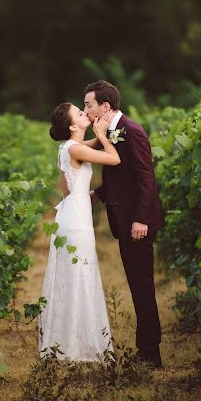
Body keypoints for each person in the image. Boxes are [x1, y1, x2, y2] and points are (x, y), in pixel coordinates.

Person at [84, 80, 164, 368]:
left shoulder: (132, 131)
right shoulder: (111, 131)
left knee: (142, 286)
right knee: (136, 284)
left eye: (88, 104)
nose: (86, 109)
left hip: (137, 223)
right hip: (124, 220)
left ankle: (150, 354)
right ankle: (147, 350)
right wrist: (97, 194)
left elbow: (145, 177)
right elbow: (121, 178)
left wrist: (141, 218)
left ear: (105, 106)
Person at [38, 103, 119, 361]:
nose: (86, 114)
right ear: (73, 126)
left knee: (76, 276)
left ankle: (69, 342)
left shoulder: (69, 147)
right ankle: (74, 346)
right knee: (79, 275)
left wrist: (100, 131)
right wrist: (106, 137)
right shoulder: (75, 148)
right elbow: (114, 158)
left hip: (73, 215)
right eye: (81, 113)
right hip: (76, 222)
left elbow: (90, 145)